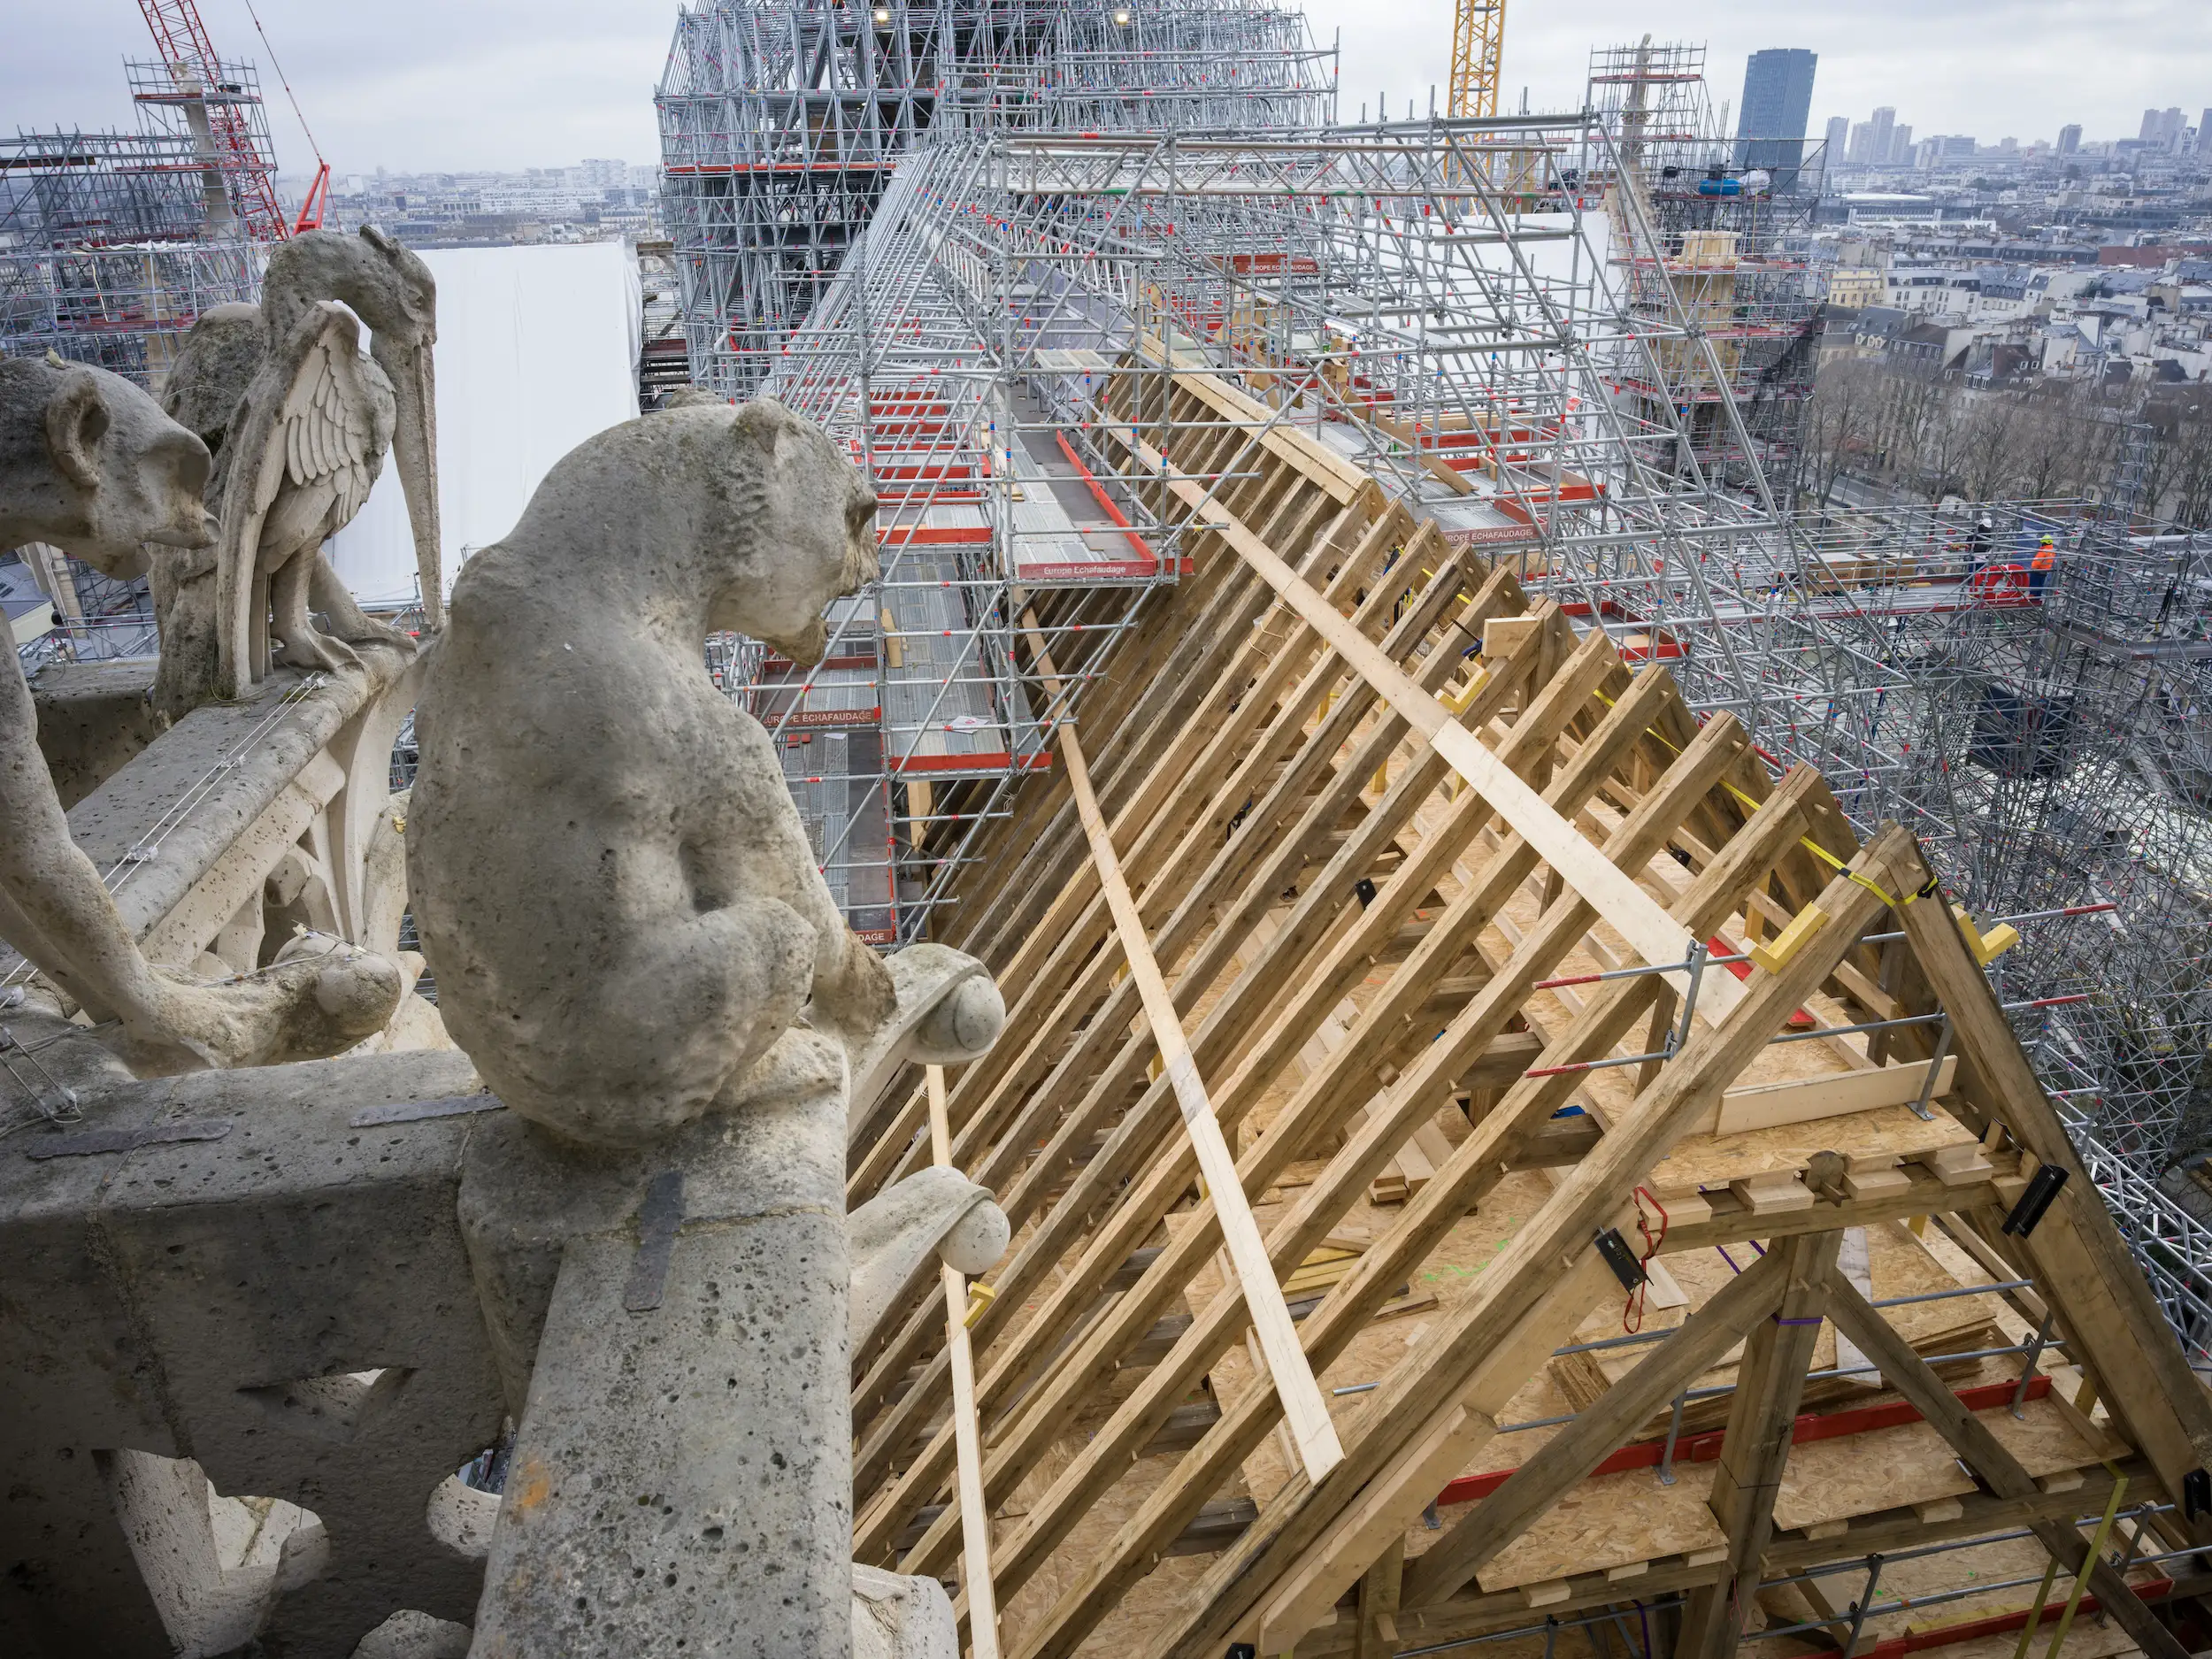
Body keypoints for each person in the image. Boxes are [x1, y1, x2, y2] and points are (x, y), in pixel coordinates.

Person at [2030, 534, 2057, 598]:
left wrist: (2033, 568)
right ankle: (2037, 599)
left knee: (2034, 585)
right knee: (2040, 586)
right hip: (2044, 572)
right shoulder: (2052, 552)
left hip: (2037, 571)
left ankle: (2031, 598)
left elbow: (2037, 562)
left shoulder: (2043, 551)